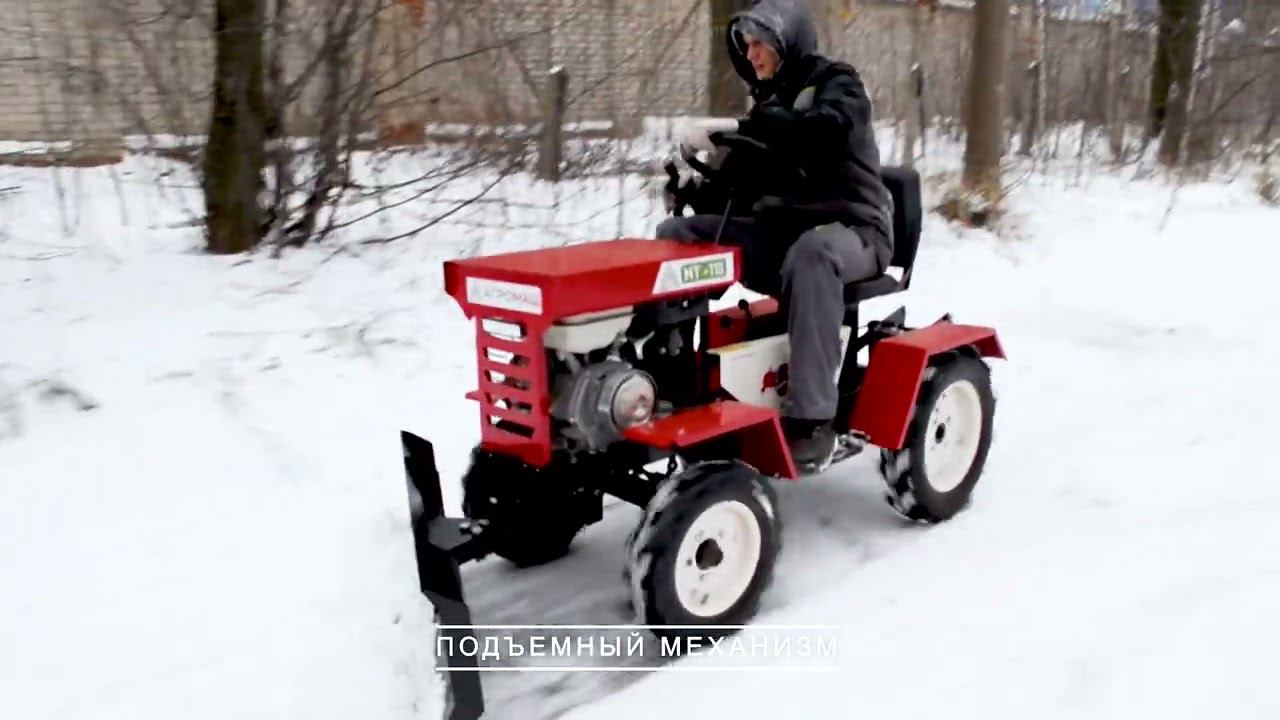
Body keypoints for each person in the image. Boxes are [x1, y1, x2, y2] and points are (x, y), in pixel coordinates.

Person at [656, 0, 894, 471]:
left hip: (854, 230)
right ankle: (673, 370)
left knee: (813, 253)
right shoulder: (767, 104)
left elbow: (830, 131)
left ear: (788, 40)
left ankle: (812, 420)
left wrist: (771, 125)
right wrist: (695, 191)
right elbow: (740, 193)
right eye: (746, 45)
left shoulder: (837, 84)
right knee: (679, 234)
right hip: (784, 235)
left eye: (761, 43)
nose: (752, 55)